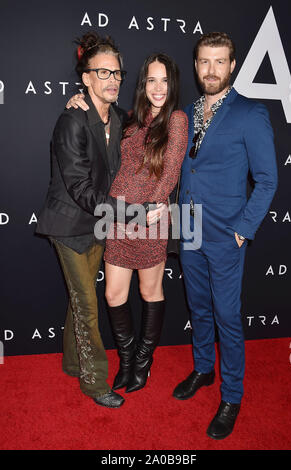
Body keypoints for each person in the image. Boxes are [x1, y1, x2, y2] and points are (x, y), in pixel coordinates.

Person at [36, 32, 161, 408]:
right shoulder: (71, 121)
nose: (112, 80)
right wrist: (134, 213)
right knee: (88, 304)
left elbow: (151, 122)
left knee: (81, 299)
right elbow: (81, 190)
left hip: (99, 224)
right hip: (69, 226)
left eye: (117, 73)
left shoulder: (120, 118)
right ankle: (94, 382)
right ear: (85, 78)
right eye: (102, 73)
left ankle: (73, 362)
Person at [174, 32, 278, 439]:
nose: (211, 70)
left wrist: (243, 230)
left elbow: (267, 180)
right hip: (189, 229)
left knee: (227, 317)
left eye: (220, 62)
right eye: (204, 62)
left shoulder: (250, 113)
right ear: (197, 65)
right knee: (198, 307)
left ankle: (232, 394)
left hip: (225, 233)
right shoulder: (186, 112)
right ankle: (203, 368)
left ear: (232, 66)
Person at [67, 53, 188, 394]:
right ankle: (127, 358)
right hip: (116, 217)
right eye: (152, 80)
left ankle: (143, 363)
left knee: (151, 291)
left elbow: (172, 168)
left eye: (165, 80)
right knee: (113, 293)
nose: (158, 87)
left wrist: (157, 203)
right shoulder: (131, 118)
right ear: (143, 84)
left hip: (151, 219)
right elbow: (98, 116)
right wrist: (78, 99)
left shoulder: (176, 119)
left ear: (173, 84)